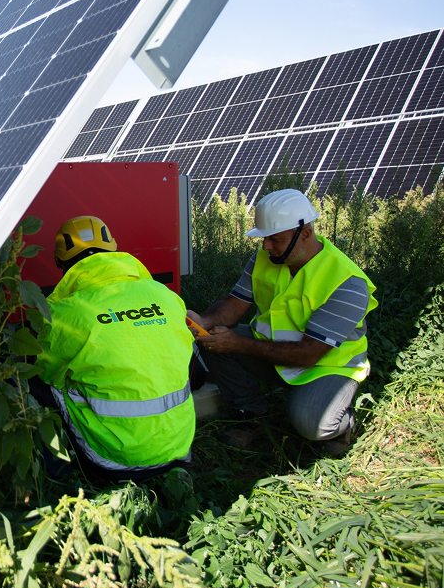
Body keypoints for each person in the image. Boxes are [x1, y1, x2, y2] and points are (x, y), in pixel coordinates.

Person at [187, 189, 377, 453]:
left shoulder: (347, 283)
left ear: (306, 234)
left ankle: (341, 425)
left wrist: (238, 345)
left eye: (274, 239)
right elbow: (233, 305)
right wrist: (204, 321)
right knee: (213, 339)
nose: (266, 246)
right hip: (276, 350)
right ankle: (250, 413)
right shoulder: (266, 258)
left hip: (327, 365)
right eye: (265, 239)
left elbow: (310, 354)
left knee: (313, 425)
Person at [35, 215, 195, 480]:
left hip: (113, 460)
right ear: (114, 250)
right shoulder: (165, 296)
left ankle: (59, 477)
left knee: (32, 381)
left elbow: (48, 373)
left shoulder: (60, 314)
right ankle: (169, 472)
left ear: (59, 262)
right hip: (179, 445)